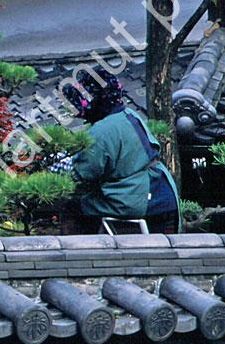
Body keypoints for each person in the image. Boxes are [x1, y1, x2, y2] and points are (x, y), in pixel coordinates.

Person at [59, 70, 179, 234]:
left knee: (73, 207)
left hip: (138, 197)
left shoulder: (100, 131)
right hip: (163, 191)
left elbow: (82, 174)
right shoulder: (129, 114)